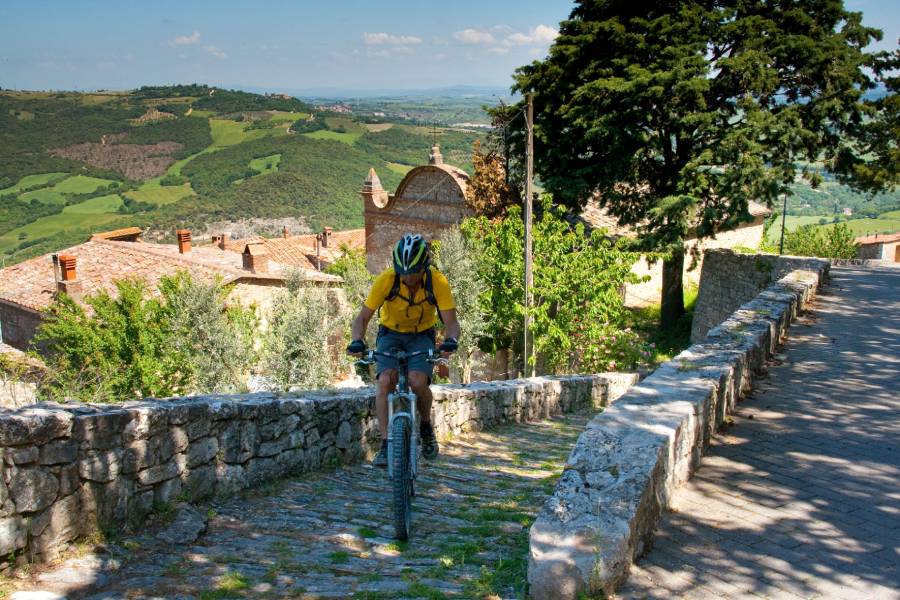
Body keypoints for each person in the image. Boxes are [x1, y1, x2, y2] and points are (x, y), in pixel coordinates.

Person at [347, 233, 460, 467]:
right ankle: (387, 444)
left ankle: (426, 425)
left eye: (413, 272)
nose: (408, 277)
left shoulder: (437, 282)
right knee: (384, 382)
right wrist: (357, 340)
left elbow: (451, 322)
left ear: (424, 266)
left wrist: (451, 340)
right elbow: (362, 318)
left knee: (418, 382)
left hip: (422, 336)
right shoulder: (387, 280)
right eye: (403, 271)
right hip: (390, 335)